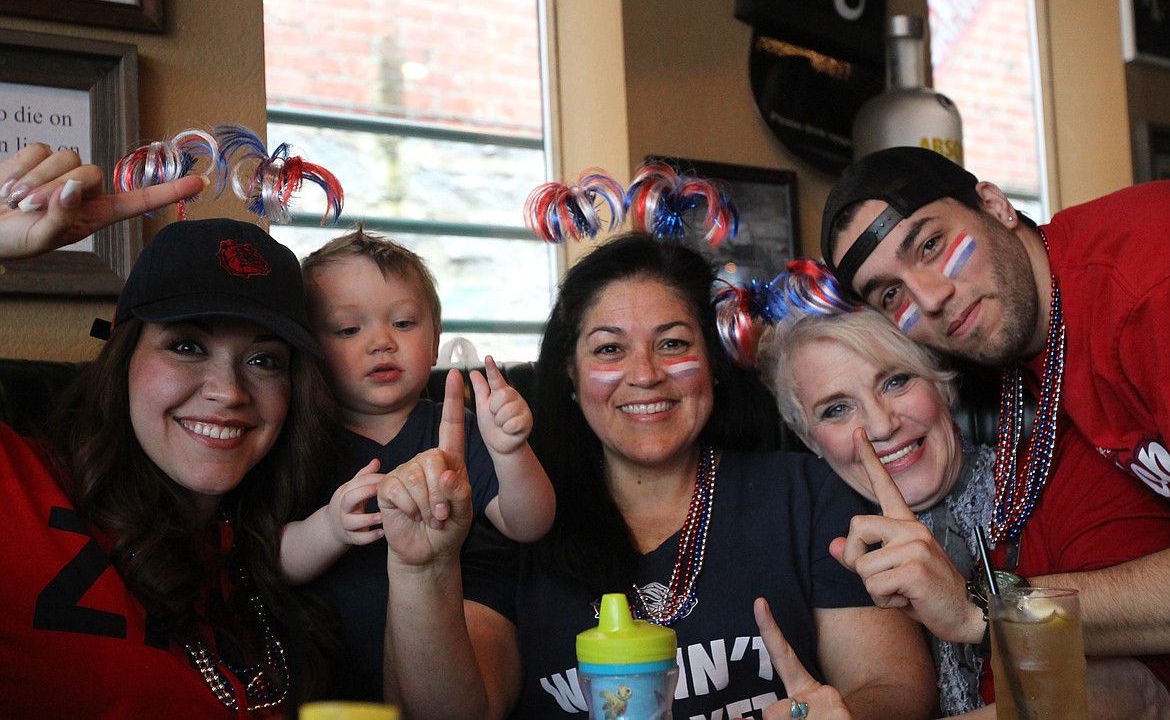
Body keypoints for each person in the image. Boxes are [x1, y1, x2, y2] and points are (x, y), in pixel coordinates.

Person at [374, 233, 937, 719]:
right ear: (570, 374)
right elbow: (451, 714)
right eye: (609, 349)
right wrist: (423, 566)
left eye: (672, 343)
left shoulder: (809, 494)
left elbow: (894, 687)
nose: (644, 375)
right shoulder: (515, 515)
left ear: (713, 364)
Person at [0, 143, 338, 716]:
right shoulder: (21, 494)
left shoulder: (287, 544)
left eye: (263, 360)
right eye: (186, 346)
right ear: (123, 357)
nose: (228, 391)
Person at [753, 259, 1170, 716]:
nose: (880, 425)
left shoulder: (1064, 474)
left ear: (942, 381)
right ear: (812, 440)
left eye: (896, 380)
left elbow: (1132, 688)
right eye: (836, 410)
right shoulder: (824, 553)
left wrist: (974, 609)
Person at [820, 145, 1170, 654]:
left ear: (994, 204)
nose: (930, 296)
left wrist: (981, 611)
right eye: (891, 295)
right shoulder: (1032, 342)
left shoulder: (1146, 292)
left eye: (931, 245)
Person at [276, 228, 555, 700]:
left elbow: (529, 523)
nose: (381, 342)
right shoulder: (302, 441)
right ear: (310, 350)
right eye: (348, 329)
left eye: (403, 323)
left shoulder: (460, 428)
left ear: (434, 342)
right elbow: (273, 561)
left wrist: (509, 452)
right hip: (334, 669)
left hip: (452, 654)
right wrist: (329, 528)